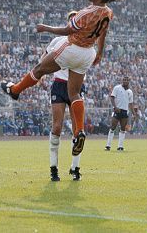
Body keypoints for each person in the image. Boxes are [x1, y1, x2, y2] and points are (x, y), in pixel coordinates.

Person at [1, 0, 135, 157]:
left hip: (72, 47)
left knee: (39, 68)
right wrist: (100, 52)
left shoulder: (86, 12)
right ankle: (79, 130)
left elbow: (67, 30)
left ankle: (15, 90)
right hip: (87, 54)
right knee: (74, 94)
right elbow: (103, 34)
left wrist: (46, 28)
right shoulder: (107, 12)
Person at [47, 11, 86, 182]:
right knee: (57, 127)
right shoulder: (57, 41)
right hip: (59, 84)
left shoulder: (85, 42)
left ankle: (75, 167)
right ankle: (53, 168)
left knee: (79, 129)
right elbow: (44, 60)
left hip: (76, 86)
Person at [105, 77, 134, 151]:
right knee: (113, 127)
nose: (125, 81)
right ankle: (108, 145)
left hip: (125, 111)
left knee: (123, 129)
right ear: (122, 80)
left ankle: (120, 146)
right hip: (117, 110)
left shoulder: (130, 92)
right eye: (124, 80)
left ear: (129, 82)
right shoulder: (117, 88)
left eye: (127, 80)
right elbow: (112, 97)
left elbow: (130, 104)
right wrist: (115, 107)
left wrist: (134, 113)